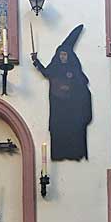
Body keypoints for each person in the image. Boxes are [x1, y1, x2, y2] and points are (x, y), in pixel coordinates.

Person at [32, 24, 92, 161]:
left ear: (69, 56)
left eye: (65, 54)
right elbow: (46, 72)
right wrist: (36, 61)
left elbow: (83, 82)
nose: (63, 57)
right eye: (61, 54)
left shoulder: (74, 68)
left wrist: (71, 88)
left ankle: (76, 154)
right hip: (58, 106)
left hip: (72, 108)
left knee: (73, 131)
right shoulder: (55, 67)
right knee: (58, 130)